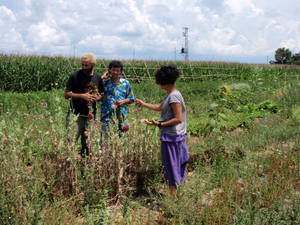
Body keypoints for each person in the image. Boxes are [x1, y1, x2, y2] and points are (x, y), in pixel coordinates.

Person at [135, 65, 188, 195]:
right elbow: (160, 107)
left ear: (164, 81)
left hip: (172, 137)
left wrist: (160, 124)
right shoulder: (172, 94)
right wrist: (144, 104)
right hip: (176, 136)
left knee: (171, 166)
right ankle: (178, 193)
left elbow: (178, 118)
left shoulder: (173, 97)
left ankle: (173, 198)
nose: (159, 84)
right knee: (177, 164)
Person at [64, 53, 104, 157]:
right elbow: (67, 94)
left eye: (86, 65)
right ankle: (68, 166)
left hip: (91, 115)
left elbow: (102, 94)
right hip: (75, 115)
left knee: (90, 143)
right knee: (71, 140)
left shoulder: (97, 78)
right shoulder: (75, 76)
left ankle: (86, 165)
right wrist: (82, 96)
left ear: (93, 65)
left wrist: (98, 97)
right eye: (82, 64)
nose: (83, 67)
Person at [100, 60, 135, 141]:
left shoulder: (125, 83)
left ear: (121, 71)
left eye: (117, 70)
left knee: (121, 140)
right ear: (109, 70)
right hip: (106, 115)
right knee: (105, 140)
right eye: (113, 70)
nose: (115, 72)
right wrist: (102, 77)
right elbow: (92, 87)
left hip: (121, 115)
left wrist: (122, 101)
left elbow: (131, 98)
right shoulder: (104, 82)